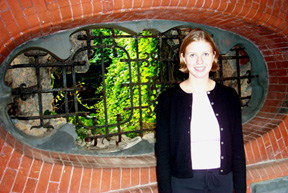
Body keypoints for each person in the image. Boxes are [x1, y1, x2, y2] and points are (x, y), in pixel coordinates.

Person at [155, 29, 246, 193]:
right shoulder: (168, 100)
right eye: (192, 55)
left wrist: (240, 189)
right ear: (183, 57)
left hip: (223, 181)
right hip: (183, 184)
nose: (199, 61)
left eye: (205, 54)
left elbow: (238, 148)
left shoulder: (229, 97)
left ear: (214, 56)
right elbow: (162, 155)